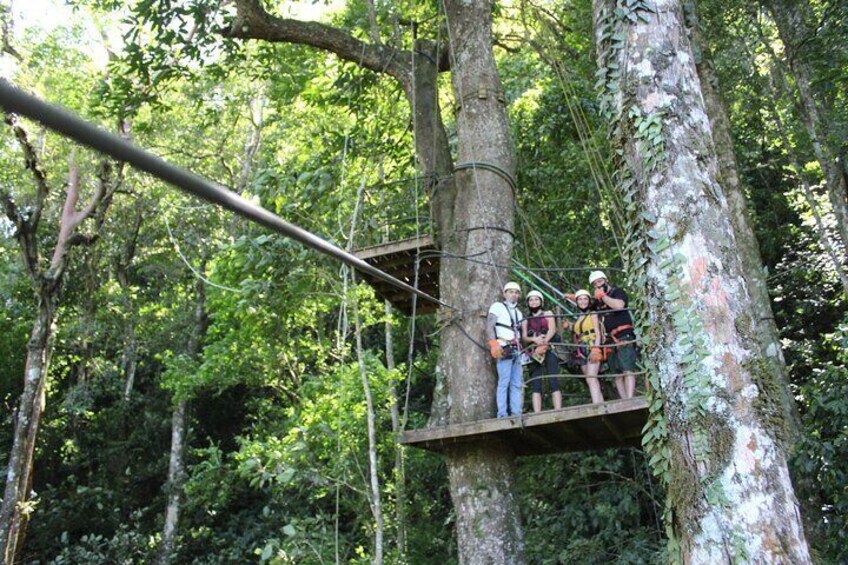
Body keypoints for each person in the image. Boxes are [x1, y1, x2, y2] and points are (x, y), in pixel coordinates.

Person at [589, 270, 638, 399]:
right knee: (616, 374)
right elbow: (585, 305)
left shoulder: (618, 292)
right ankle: (624, 400)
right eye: (595, 284)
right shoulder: (597, 301)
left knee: (627, 369)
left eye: (600, 282)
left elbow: (619, 306)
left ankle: (630, 398)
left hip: (624, 334)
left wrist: (603, 296)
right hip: (609, 339)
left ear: (606, 280)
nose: (598, 285)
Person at [486, 281, 525, 418]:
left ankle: (516, 412)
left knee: (516, 383)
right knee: (504, 382)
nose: (513, 295)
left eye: (516, 292)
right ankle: (502, 413)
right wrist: (494, 344)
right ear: (504, 294)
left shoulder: (518, 313)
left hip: (517, 349)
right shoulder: (497, 306)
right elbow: (489, 325)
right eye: (510, 292)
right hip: (503, 347)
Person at [522, 290, 562, 412]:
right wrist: (534, 339)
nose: (534, 302)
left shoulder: (548, 313)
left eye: (536, 299)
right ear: (528, 303)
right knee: (536, 382)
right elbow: (524, 337)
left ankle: (558, 410)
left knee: (553, 378)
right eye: (531, 300)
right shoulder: (526, 319)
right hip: (534, 352)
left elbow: (552, 329)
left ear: (541, 301)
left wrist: (543, 342)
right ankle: (537, 412)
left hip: (549, 349)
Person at [572, 289, 604, 404]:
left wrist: (596, 348)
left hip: (591, 346)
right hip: (581, 349)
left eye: (585, 299)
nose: (583, 301)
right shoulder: (578, 317)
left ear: (589, 301)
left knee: (591, 377)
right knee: (589, 379)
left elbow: (598, 332)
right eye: (580, 299)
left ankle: (597, 405)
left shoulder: (593, 314)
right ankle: (600, 403)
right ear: (577, 302)